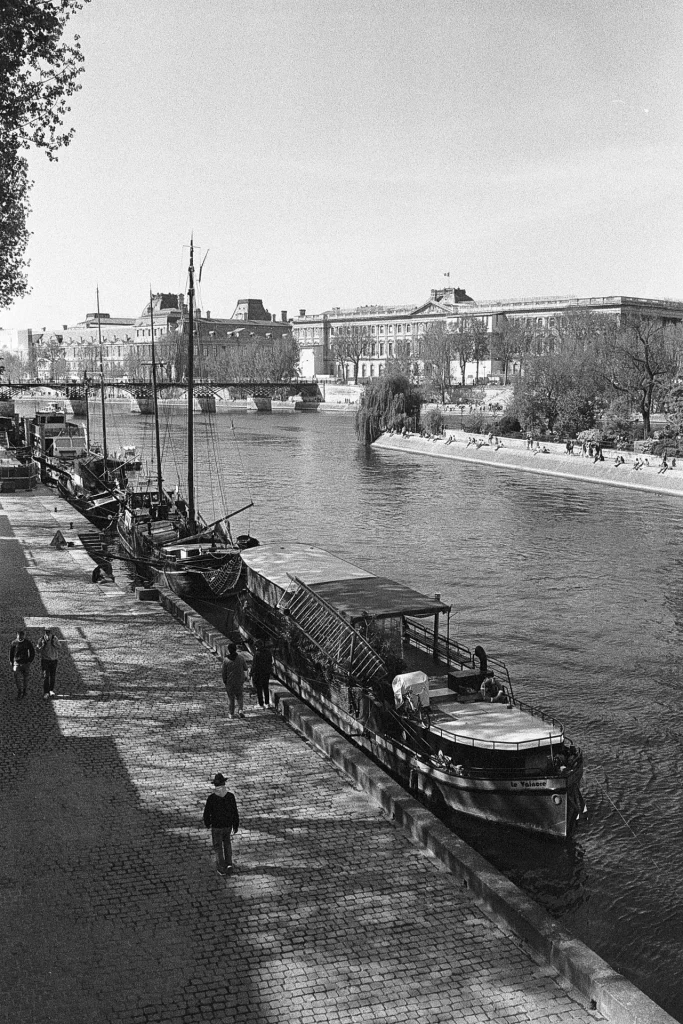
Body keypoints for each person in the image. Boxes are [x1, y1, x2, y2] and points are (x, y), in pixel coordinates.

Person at [203, 773, 239, 877]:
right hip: (227, 826)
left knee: (218, 847)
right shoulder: (230, 797)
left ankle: (221, 867)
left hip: (217, 826)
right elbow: (234, 812)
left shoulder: (212, 798)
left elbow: (206, 813)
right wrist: (235, 825)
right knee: (227, 844)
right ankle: (229, 864)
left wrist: (208, 823)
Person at [222, 642, 247, 719]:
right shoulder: (241, 658)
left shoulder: (226, 660)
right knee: (239, 696)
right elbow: (245, 668)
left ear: (229, 650)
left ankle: (231, 713)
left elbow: (224, 672)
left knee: (231, 698)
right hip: (239, 681)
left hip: (230, 681)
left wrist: (224, 680)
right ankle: (240, 710)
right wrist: (245, 677)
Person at [9, 629, 35, 699]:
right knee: (16, 677)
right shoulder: (14, 643)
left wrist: (29, 661)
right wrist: (11, 661)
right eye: (18, 635)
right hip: (16, 662)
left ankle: (24, 690)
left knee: (25, 678)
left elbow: (32, 652)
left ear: (24, 636)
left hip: (25, 663)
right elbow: (11, 653)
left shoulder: (27, 642)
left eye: (21, 635)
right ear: (17, 635)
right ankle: (19, 690)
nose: (20, 637)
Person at [37, 628, 60, 698]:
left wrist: (54, 644)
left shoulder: (55, 638)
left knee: (52, 676)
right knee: (46, 676)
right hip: (45, 660)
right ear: (44, 632)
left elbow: (59, 647)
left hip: (54, 660)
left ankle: (51, 690)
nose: (48, 633)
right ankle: (46, 692)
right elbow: (37, 650)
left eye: (49, 632)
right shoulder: (41, 639)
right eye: (46, 632)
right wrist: (42, 646)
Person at [251, 640, 273, 709]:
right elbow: (270, 661)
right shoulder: (268, 652)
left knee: (259, 689)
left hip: (259, 673)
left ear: (256, 646)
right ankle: (267, 703)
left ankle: (261, 704)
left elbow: (254, 665)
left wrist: (251, 674)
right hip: (266, 673)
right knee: (266, 687)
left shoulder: (257, 653)